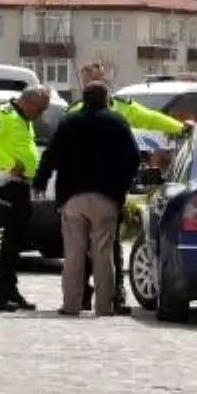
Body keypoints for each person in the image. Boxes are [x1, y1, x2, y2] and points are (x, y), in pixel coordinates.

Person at [68, 61, 191, 314]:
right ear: (85, 83)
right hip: (82, 187)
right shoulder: (76, 112)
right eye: (93, 79)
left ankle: (115, 297)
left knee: (111, 246)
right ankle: (82, 296)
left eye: (102, 79)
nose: (99, 83)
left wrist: (180, 127)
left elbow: (150, 118)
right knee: (82, 250)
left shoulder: (121, 108)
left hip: (111, 189)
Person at [34, 81, 140, 316]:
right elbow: (133, 158)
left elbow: (51, 155)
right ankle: (104, 306)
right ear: (105, 98)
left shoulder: (69, 121)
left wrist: (40, 182)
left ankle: (71, 304)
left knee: (73, 254)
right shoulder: (117, 122)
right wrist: (122, 186)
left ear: (83, 98)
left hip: (73, 197)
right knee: (103, 254)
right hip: (107, 197)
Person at [0, 85, 52, 312]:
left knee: (13, 243)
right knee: (0, 241)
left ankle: (10, 290)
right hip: (4, 185)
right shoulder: (4, 114)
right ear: (27, 102)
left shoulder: (23, 119)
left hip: (20, 189)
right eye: (38, 110)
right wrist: (10, 164)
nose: (39, 115)